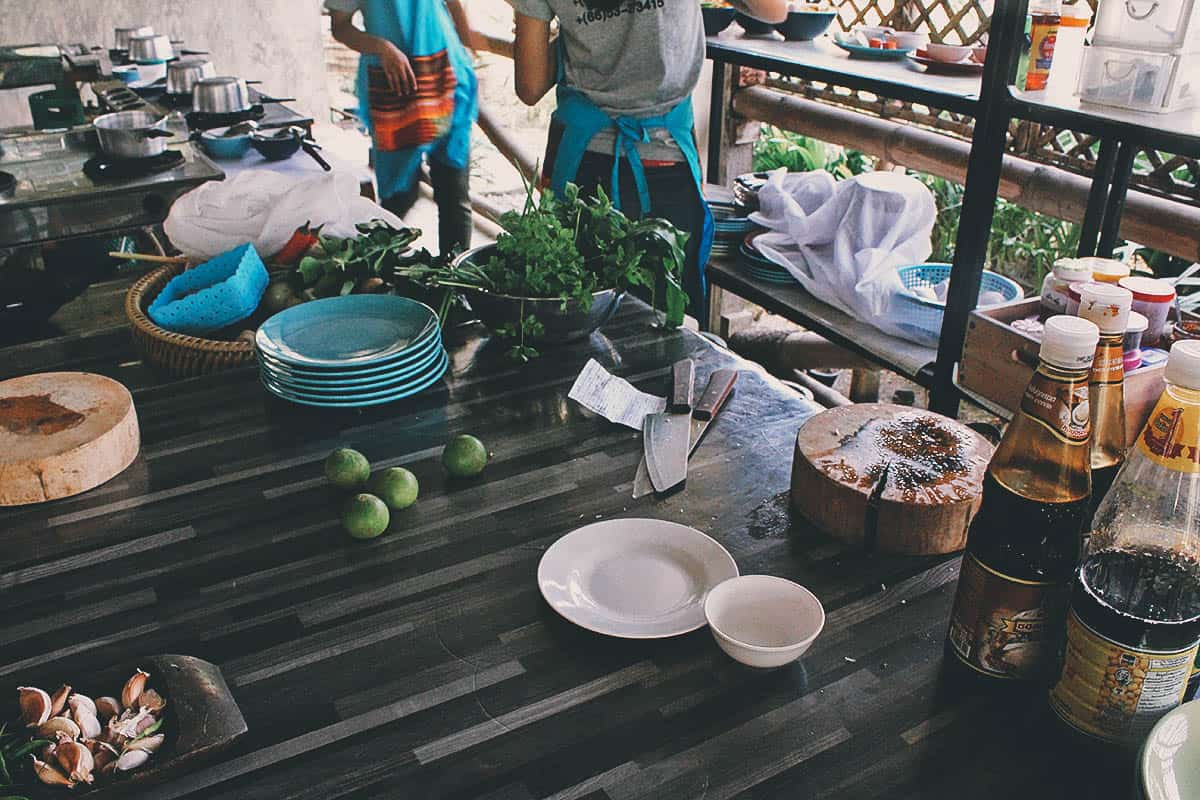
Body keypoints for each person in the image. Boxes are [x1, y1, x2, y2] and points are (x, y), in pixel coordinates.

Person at [512, 0, 787, 315]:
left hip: (580, 165)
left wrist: (579, 33)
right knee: (665, 327)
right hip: (665, 164)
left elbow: (530, 86)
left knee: (575, 316)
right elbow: (775, 11)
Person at [328, 0, 479, 256]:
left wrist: (467, 46)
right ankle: (378, 277)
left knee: (454, 194)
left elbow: (454, 3)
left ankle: (454, 285)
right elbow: (340, 27)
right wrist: (382, 48)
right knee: (398, 196)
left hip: (445, 77)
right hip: (395, 84)